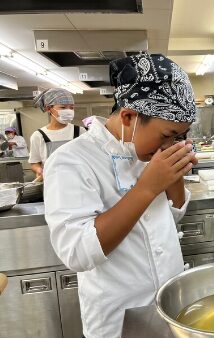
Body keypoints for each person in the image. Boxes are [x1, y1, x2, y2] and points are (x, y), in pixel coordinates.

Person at [44, 53, 197, 338]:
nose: (171, 143)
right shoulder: (72, 161)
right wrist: (147, 187)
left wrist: (175, 172)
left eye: (179, 136)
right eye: (167, 135)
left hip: (170, 306)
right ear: (129, 116)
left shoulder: (147, 151)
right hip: (119, 318)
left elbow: (172, 215)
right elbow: (77, 252)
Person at [29, 88, 85, 181]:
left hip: (79, 181)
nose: (68, 111)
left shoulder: (80, 131)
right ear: (48, 109)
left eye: (71, 107)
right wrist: (39, 170)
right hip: (53, 183)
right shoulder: (39, 135)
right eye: (63, 107)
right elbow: (34, 163)